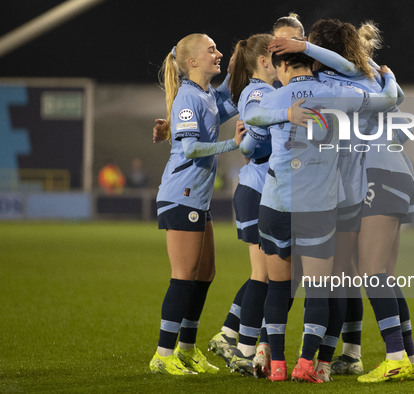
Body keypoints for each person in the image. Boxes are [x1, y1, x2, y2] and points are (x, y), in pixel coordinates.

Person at [245, 45, 399, 383]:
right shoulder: (336, 93)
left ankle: (278, 366)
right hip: (318, 207)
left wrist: (284, 115)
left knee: (278, 288)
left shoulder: (273, 97)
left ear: (280, 65)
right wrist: (388, 77)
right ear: (313, 63)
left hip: (275, 205)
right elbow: (388, 100)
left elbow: (251, 120)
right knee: (319, 288)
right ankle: (306, 364)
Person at [206, 33, 311, 377]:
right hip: (259, 192)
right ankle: (243, 345)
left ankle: (249, 346)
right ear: (267, 60)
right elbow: (253, 140)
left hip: (266, 192)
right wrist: (274, 124)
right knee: (265, 276)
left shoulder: (265, 90)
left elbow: (252, 141)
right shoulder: (260, 91)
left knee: (271, 276)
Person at [149, 33, 246, 375]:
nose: (217, 54)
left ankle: (187, 349)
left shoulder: (205, 94)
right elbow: (190, 149)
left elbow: (233, 95)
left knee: (204, 273)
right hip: (181, 194)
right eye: (212, 50)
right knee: (183, 276)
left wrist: (242, 60)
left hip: (196, 197)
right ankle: (163, 355)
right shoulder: (188, 98)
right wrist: (230, 145)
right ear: (192, 62)